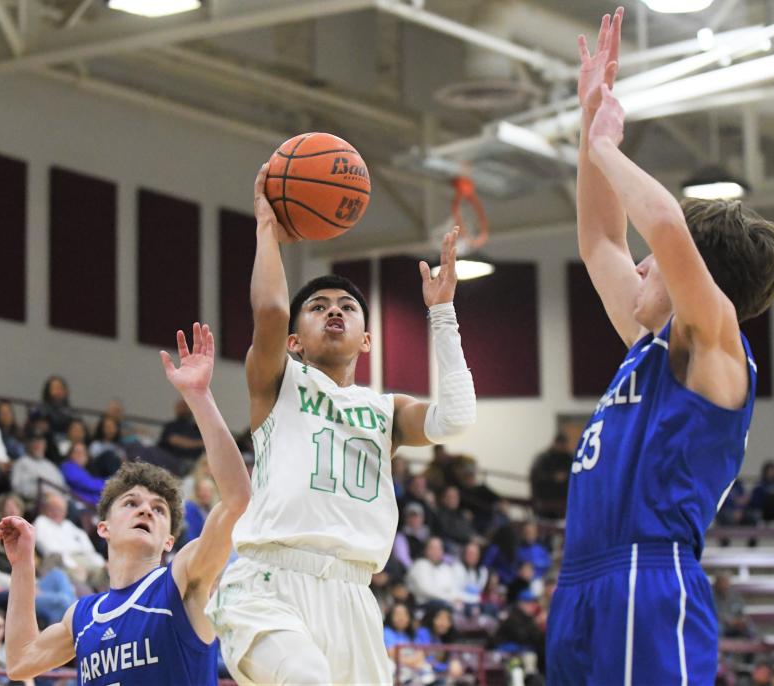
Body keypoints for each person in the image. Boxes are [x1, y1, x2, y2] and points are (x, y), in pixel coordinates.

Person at [546, 8, 774, 684]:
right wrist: (587, 118)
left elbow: (661, 225)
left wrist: (608, 145)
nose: (641, 267)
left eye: (654, 263)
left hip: (647, 579)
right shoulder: (649, 346)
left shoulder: (713, 341)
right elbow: (600, 240)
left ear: (693, 276)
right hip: (583, 581)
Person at [208, 165, 476, 686]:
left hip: (353, 596)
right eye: (317, 306)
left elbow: (456, 419)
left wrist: (442, 314)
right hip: (270, 582)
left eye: (348, 306)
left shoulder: (385, 410)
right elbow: (267, 310)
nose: (335, 311)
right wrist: (267, 228)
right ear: (294, 340)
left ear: (367, 340)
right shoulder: (278, 384)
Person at [0, 323, 251, 685]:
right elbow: (20, 662)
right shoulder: (82, 617)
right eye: (131, 503)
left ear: (169, 540)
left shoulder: (182, 579)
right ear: (103, 528)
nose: (146, 509)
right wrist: (22, 563)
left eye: (159, 509)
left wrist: (199, 397)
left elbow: (237, 500)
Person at [31, 491, 106, 589]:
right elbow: (49, 550)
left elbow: (88, 548)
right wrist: (73, 565)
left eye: (61, 509)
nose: (58, 512)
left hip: (84, 559)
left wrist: (101, 563)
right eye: (54, 508)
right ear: (46, 509)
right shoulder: (41, 522)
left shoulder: (68, 525)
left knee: (106, 572)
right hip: (62, 562)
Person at [10, 428, 66, 504]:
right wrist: (42, 494)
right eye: (34, 442)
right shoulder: (20, 463)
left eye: (40, 442)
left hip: (57, 502)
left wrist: (57, 497)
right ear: (28, 444)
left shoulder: (51, 466)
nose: (38, 445)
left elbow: (63, 487)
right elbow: (16, 487)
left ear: (45, 445)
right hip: (35, 502)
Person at [382, 603, 433, 686]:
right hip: (399, 668)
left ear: (409, 618)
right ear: (391, 617)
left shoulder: (412, 634)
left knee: (427, 668)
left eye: (404, 615)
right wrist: (412, 663)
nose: (401, 618)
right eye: (397, 614)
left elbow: (421, 654)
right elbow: (393, 655)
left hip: (413, 667)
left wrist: (413, 663)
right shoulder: (386, 632)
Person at [529, 433, 573, 520]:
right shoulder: (543, 458)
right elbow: (536, 476)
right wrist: (553, 478)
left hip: (563, 503)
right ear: (556, 444)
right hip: (544, 502)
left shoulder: (569, 458)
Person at [60, 442, 105, 507]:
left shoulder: (82, 470)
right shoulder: (67, 467)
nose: (81, 455)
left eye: (83, 452)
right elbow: (89, 484)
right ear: (70, 454)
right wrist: (109, 484)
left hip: (92, 506)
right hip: (80, 506)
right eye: (77, 452)